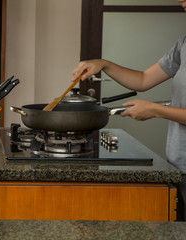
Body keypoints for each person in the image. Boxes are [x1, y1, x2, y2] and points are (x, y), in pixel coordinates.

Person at [71, 0, 186, 221]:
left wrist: (156, 110)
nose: (181, 1)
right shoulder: (183, 46)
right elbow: (142, 80)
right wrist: (103, 64)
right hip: (178, 164)